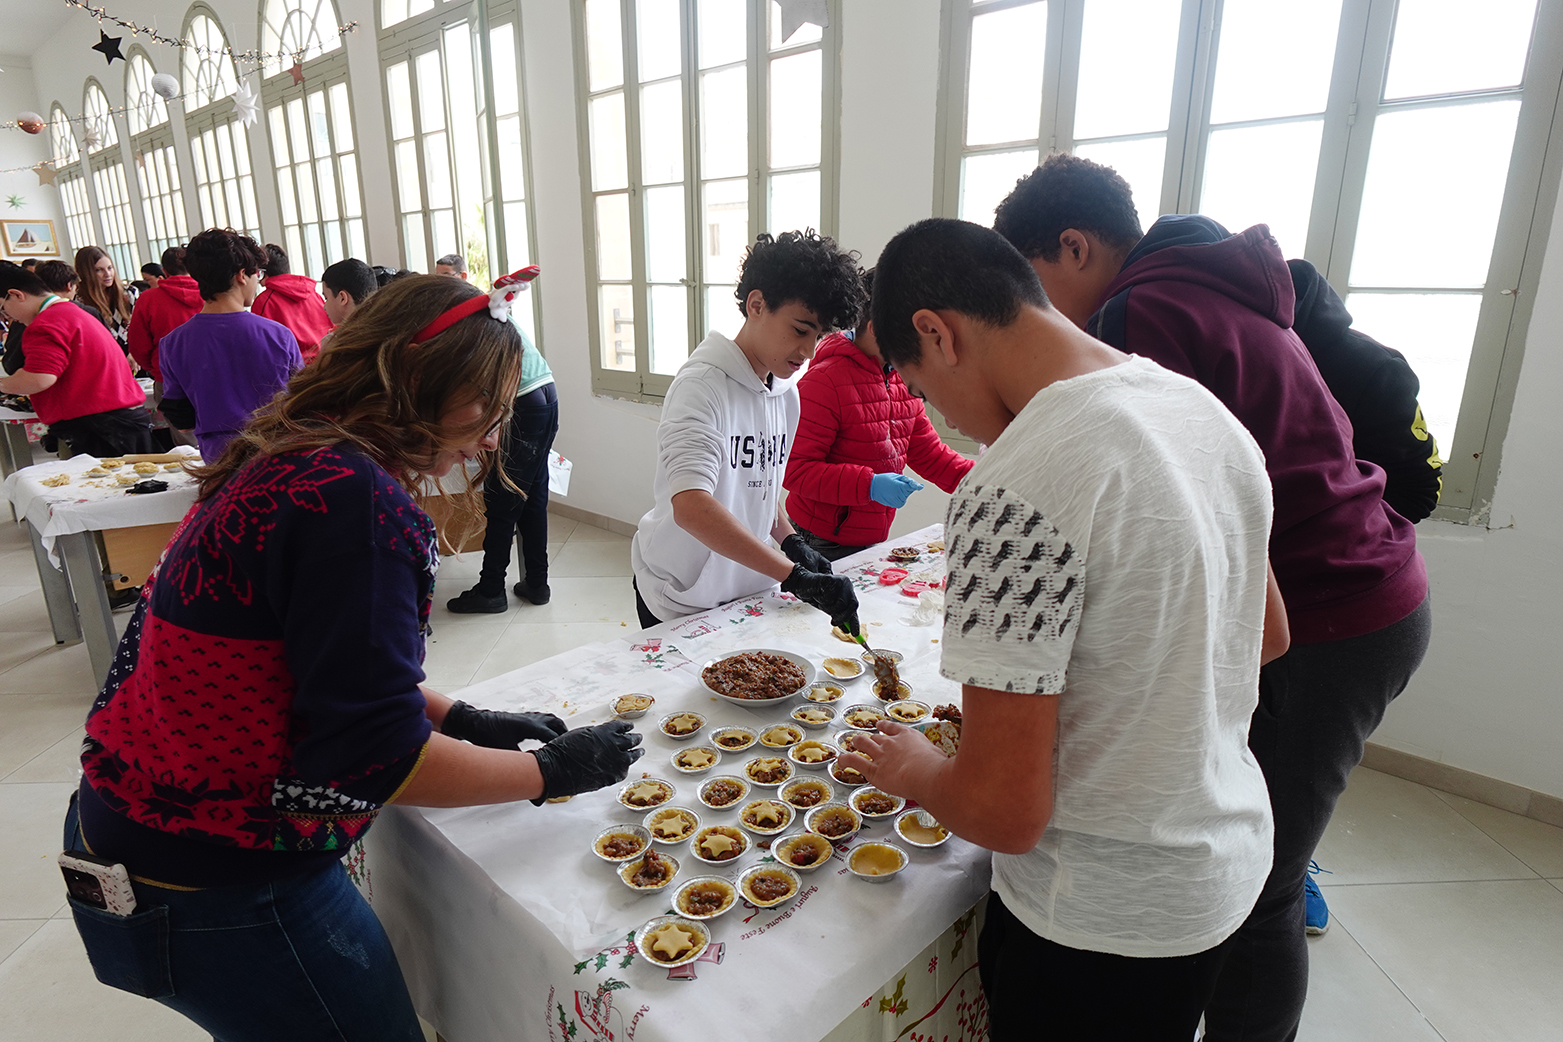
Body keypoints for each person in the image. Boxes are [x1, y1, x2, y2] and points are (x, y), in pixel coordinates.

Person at [62, 273, 645, 1042]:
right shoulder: (354, 502)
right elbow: (373, 755)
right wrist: (550, 773)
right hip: (213, 873)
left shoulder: (293, 446)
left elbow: (308, 662)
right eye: (485, 409)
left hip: (132, 822)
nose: (491, 439)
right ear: (413, 381)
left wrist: (462, 718)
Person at [992, 153, 1431, 1042]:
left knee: (1261, 886)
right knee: (1258, 846)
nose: (1035, 317)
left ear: (1073, 246)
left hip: (1326, 606)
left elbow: (1155, 497)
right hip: (1362, 581)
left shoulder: (1142, 313)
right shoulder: (1206, 279)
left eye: (1031, 287)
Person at [841, 217, 1286, 1042]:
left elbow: (1002, 812)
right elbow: (1265, 635)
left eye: (925, 393)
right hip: (1217, 863)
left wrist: (916, 769)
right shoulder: (1196, 410)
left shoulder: (1017, 483)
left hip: (1097, 913)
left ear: (936, 334)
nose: (948, 420)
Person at [630, 230, 864, 631]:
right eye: (800, 329)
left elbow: (759, 488)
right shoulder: (701, 387)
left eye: (819, 336)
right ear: (756, 305)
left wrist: (792, 542)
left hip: (745, 588)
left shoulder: (785, 394)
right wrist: (793, 575)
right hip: (682, 595)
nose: (809, 352)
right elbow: (691, 507)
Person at [784, 267, 972, 560]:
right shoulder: (824, 382)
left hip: (870, 536)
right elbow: (796, 470)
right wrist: (869, 485)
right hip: (820, 540)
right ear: (878, 330)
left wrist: (984, 479)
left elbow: (929, 454)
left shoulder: (899, 379)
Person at [443, 268, 558, 612]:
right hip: (546, 393)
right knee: (532, 494)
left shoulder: (464, 322)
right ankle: (536, 583)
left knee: (503, 496)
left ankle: (491, 588)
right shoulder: (484, 310)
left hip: (523, 402)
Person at [158, 229, 302, 460]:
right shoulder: (279, 336)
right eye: (257, 273)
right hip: (276, 453)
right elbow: (301, 403)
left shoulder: (173, 343)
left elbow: (182, 421)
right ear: (242, 275)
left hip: (218, 458)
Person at [0, 260, 152, 456]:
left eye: (3, 309)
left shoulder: (46, 323)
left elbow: (39, 378)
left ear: (16, 295)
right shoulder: (75, 312)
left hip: (98, 428)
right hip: (118, 422)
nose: (8, 317)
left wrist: (3, 384)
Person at [250, 243, 333, 364]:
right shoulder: (314, 294)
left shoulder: (264, 301)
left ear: (262, 272)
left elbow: (261, 345)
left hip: (294, 369)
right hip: (325, 363)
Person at [74, 245, 136, 355]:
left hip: (135, 353)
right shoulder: (79, 302)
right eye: (98, 270)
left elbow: (141, 327)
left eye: (110, 268)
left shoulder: (129, 293)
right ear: (85, 273)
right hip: (105, 355)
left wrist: (135, 353)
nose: (107, 274)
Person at [321, 257, 377, 328]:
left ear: (342, 298)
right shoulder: (384, 326)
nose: (324, 307)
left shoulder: (353, 333)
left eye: (326, 298)